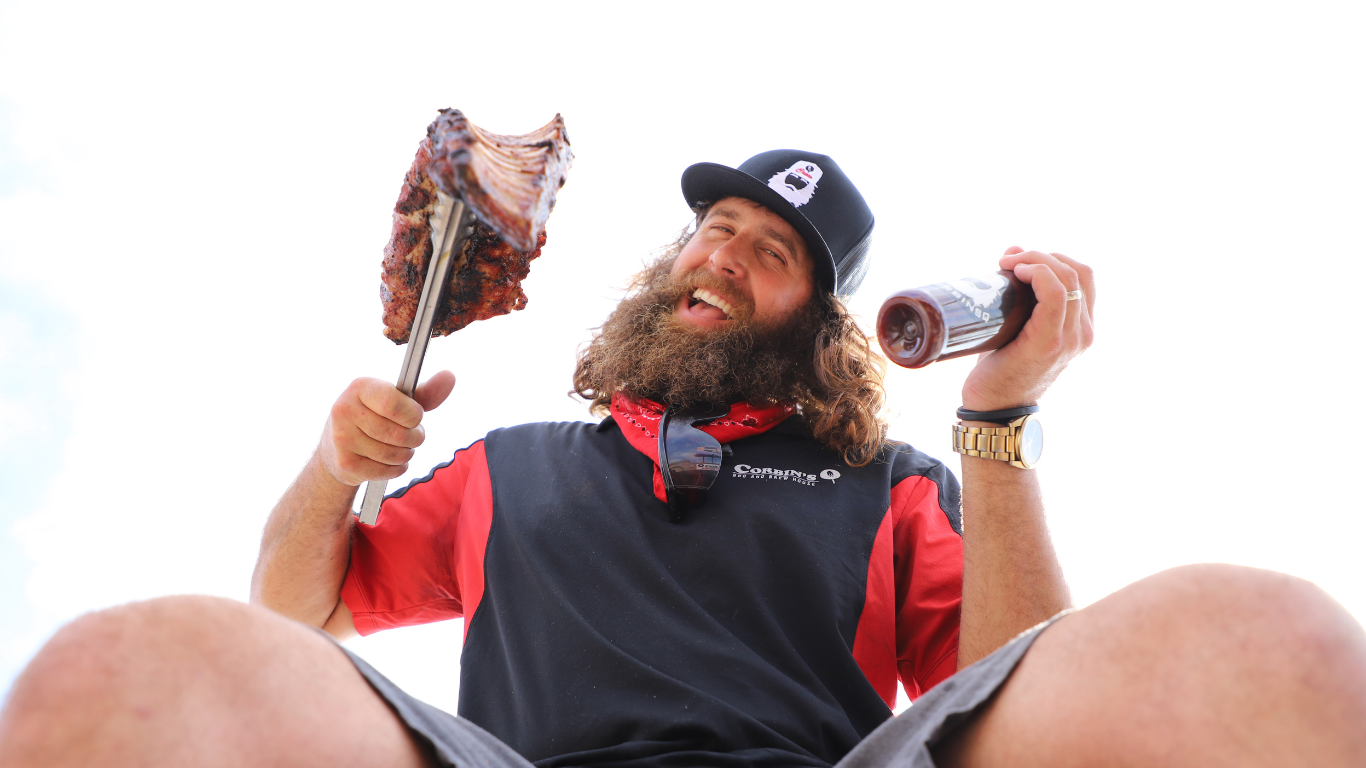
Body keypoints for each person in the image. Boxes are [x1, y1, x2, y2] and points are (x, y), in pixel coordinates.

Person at [1, 150, 1363, 768]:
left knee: (1263, 635)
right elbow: (294, 615)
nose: (718, 255)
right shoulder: (516, 465)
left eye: (766, 252)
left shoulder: (887, 487)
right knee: (125, 671)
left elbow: (1014, 683)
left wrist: (994, 426)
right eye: (708, 230)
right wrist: (328, 462)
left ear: (818, 327)